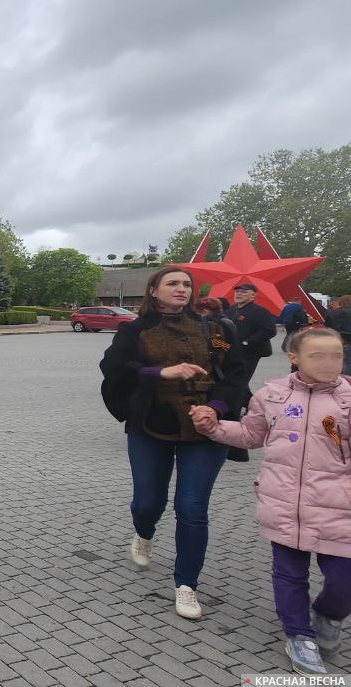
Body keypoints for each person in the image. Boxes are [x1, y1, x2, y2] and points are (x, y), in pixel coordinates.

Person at [192, 327, 351, 675]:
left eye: (336, 355)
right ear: (294, 358)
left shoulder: (347, 399)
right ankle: (298, 635)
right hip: (283, 502)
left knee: (344, 580)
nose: (329, 363)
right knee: (289, 575)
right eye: (317, 355)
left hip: (339, 506)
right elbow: (250, 436)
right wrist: (212, 427)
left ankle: (329, 613)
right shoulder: (272, 395)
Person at [99, 266, 249, 621]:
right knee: (149, 501)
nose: (181, 288)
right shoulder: (134, 330)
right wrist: (159, 373)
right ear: (153, 290)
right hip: (151, 423)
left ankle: (186, 584)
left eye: (186, 284)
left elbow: (237, 375)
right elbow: (112, 368)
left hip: (205, 428)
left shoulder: (216, 328)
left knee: (193, 507)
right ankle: (143, 533)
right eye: (172, 283)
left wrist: (215, 408)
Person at [225, 283, 277, 389]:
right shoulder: (230, 311)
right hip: (231, 352)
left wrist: (248, 341)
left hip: (249, 353)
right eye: (237, 292)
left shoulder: (260, 312)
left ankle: (237, 404)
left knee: (241, 381)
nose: (239, 294)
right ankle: (247, 402)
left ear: (253, 295)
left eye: (243, 292)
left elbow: (270, 330)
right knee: (234, 380)